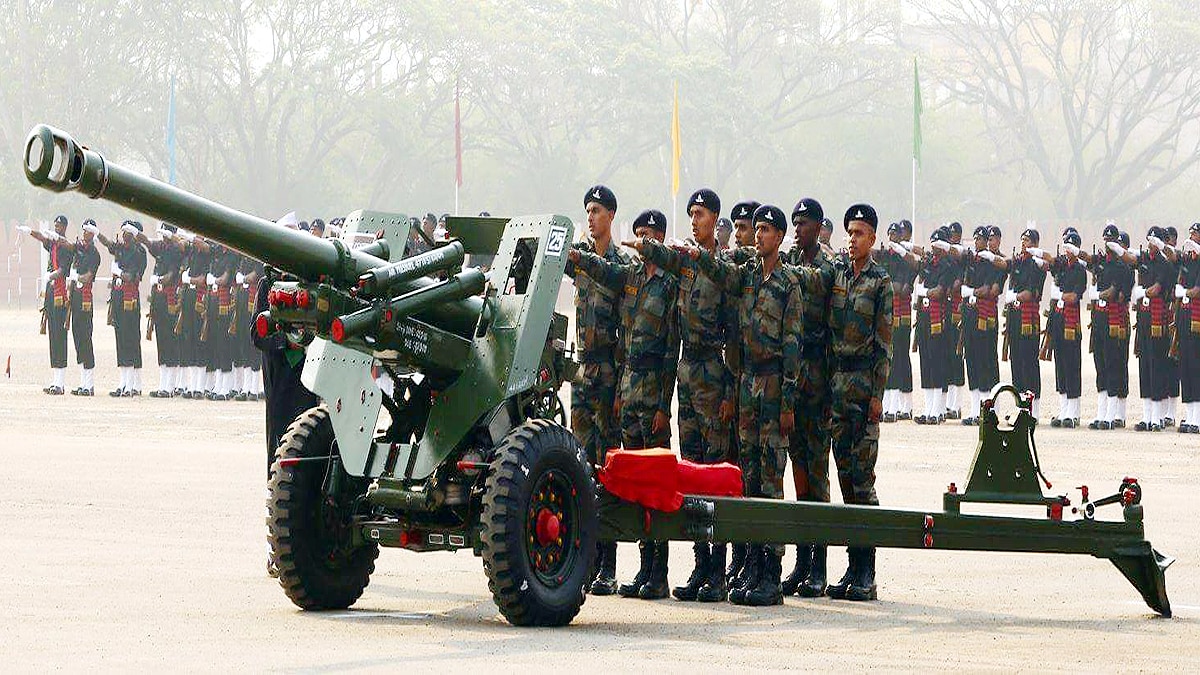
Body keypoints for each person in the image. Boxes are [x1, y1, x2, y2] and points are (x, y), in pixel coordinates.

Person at [690, 204, 802, 607]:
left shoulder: (789, 284)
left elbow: (792, 349)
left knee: (770, 481)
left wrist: (788, 403)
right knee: (748, 479)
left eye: (767, 230)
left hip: (774, 387)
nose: (758, 235)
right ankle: (752, 566)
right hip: (747, 384)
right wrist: (698, 253)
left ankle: (771, 573)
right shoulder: (748, 276)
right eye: (756, 229)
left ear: (780, 237)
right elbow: (721, 272)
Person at [633, 188, 736, 603]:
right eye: (691, 214)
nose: (694, 220)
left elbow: (735, 333)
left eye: (701, 214)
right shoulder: (685, 270)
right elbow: (673, 329)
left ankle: (718, 569)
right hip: (688, 373)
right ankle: (698, 564)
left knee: (715, 470)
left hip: (715, 372)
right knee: (691, 469)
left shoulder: (725, 267)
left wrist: (729, 388)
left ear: (716, 218)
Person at [572, 208, 680, 601]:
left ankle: (659, 570)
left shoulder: (670, 284)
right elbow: (603, 273)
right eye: (637, 234)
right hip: (629, 384)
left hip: (653, 388)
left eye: (649, 234)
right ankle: (643, 566)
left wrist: (664, 406)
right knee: (631, 479)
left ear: (662, 239)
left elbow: (671, 348)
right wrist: (577, 256)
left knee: (655, 479)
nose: (641, 240)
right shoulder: (632, 278)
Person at [821, 204, 893, 602]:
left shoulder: (880, 282)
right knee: (844, 477)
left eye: (861, 233)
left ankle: (867, 570)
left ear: (873, 238)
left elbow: (884, 344)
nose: (853, 239)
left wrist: (877, 396)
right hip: (838, 384)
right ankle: (851, 565)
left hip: (864, 387)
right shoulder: (838, 275)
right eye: (849, 232)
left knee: (863, 482)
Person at [565, 185, 628, 596]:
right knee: (582, 465)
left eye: (598, 211)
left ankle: (609, 562)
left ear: (611, 216)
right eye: (587, 210)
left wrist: (623, 384)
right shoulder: (579, 257)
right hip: (583, 370)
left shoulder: (619, 264)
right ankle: (586, 560)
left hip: (609, 370)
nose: (590, 217)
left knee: (608, 466)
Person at [779, 197, 836, 598]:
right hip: (794, 380)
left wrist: (786, 269)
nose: (798, 228)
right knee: (797, 470)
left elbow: (814, 282)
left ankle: (820, 565)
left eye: (804, 222)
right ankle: (801, 562)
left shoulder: (826, 265)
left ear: (819, 226)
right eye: (794, 222)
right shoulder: (790, 258)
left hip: (818, 380)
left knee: (816, 474)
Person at [988, 227, 1047, 419]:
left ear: (1036, 244)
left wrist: (1015, 297)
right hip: (1014, 318)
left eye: (1028, 241)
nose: (1024, 243)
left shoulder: (1037, 265)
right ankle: (1021, 408)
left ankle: (1034, 409)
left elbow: (1031, 293)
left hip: (1028, 320)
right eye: (1022, 240)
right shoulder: (1017, 262)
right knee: (1017, 362)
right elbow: (1003, 263)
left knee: (1030, 362)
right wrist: (989, 256)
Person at [1033, 230, 1087, 427]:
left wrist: (1060, 295)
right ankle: (1064, 410)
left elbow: (1074, 296)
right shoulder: (1062, 267)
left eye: (1070, 247)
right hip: (1058, 321)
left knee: (1073, 367)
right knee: (1061, 367)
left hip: (1071, 323)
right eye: (1065, 246)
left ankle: (1074, 412)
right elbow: (1051, 262)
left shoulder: (1079, 270)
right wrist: (1037, 254)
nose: (1067, 250)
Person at [1122, 227, 1173, 430]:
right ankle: (1147, 415)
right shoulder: (1144, 260)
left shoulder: (1164, 264)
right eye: (1148, 240)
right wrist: (1118, 248)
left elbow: (1156, 289)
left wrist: (1141, 291)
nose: (1150, 244)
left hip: (1157, 320)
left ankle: (1157, 417)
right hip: (1143, 319)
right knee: (1144, 364)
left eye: (1153, 240)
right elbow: (1130, 259)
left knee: (1157, 365)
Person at [22, 215, 74, 394]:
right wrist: (30, 232)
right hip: (51, 293)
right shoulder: (52, 245)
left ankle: (61, 382)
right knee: (53, 335)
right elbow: (43, 239)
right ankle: (55, 380)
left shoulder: (66, 247)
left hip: (60, 293)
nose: (57, 228)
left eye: (60, 226)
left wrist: (51, 276)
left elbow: (64, 269)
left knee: (60, 335)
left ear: (65, 227)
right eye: (56, 225)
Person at [960, 226, 1004, 424]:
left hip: (984, 317)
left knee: (985, 359)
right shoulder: (972, 262)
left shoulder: (992, 263)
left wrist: (970, 292)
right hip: (970, 314)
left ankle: (988, 409)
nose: (977, 242)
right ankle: (974, 408)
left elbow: (989, 290)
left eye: (980, 239)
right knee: (971, 359)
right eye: (975, 238)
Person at [99, 221, 148, 396]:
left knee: (131, 338)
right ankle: (124, 382)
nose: (124, 234)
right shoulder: (121, 248)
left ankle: (133, 383)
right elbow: (108, 244)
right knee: (120, 337)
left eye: (127, 231)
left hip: (130, 300)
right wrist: (97, 233)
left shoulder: (139, 252)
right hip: (118, 298)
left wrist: (118, 272)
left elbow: (132, 276)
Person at [138, 223, 185, 397]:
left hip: (170, 298)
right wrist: (138, 233)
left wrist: (159, 279)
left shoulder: (176, 249)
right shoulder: (162, 247)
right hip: (158, 298)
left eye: (166, 234)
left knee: (171, 340)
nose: (163, 237)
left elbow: (171, 276)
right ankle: (163, 383)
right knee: (161, 339)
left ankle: (170, 385)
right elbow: (149, 243)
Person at [876, 221, 918, 422]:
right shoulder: (886, 257)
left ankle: (905, 405)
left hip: (902, 315)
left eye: (897, 234)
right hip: (887, 315)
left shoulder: (904, 259)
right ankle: (890, 404)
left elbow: (901, 287)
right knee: (887, 359)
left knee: (902, 358)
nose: (893, 237)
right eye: (891, 234)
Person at [913, 226, 952, 424]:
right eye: (933, 244)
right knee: (925, 361)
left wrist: (923, 291)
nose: (934, 249)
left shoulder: (946, 265)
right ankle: (928, 409)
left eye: (938, 245)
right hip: (925, 316)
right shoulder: (928, 263)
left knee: (937, 362)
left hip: (938, 318)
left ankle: (937, 410)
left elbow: (939, 292)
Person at [68, 220, 102, 395]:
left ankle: (89, 384)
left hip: (85, 300)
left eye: (88, 230)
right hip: (75, 297)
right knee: (77, 336)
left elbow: (88, 277)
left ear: (93, 233)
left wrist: (76, 276)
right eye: (83, 230)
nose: (84, 233)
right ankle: (83, 382)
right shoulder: (79, 249)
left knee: (85, 337)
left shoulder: (94, 254)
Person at [1176, 223, 1200, 433]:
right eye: (1190, 233)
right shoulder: (1188, 261)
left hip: (1197, 318)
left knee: (1197, 366)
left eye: (1195, 234)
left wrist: (1185, 291)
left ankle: (1198, 417)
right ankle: (1190, 415)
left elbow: (1196, 291)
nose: (1191, 237)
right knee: (1186, 366)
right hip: (1185, 316)